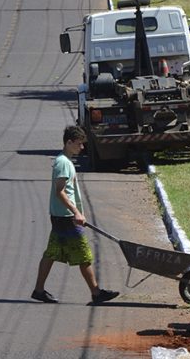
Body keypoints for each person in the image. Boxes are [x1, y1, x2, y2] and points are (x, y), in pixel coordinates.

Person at [31, 125, 120, 305]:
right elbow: (60, 192)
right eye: (79, 144)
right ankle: (96, 293)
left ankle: (38, 290)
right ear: (69, 142)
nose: (82, 148)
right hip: (66, 218)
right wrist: (77, 212)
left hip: (61, 217)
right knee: (84, 255)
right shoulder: (63, 163)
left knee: (51, 253)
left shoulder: (64, 161)